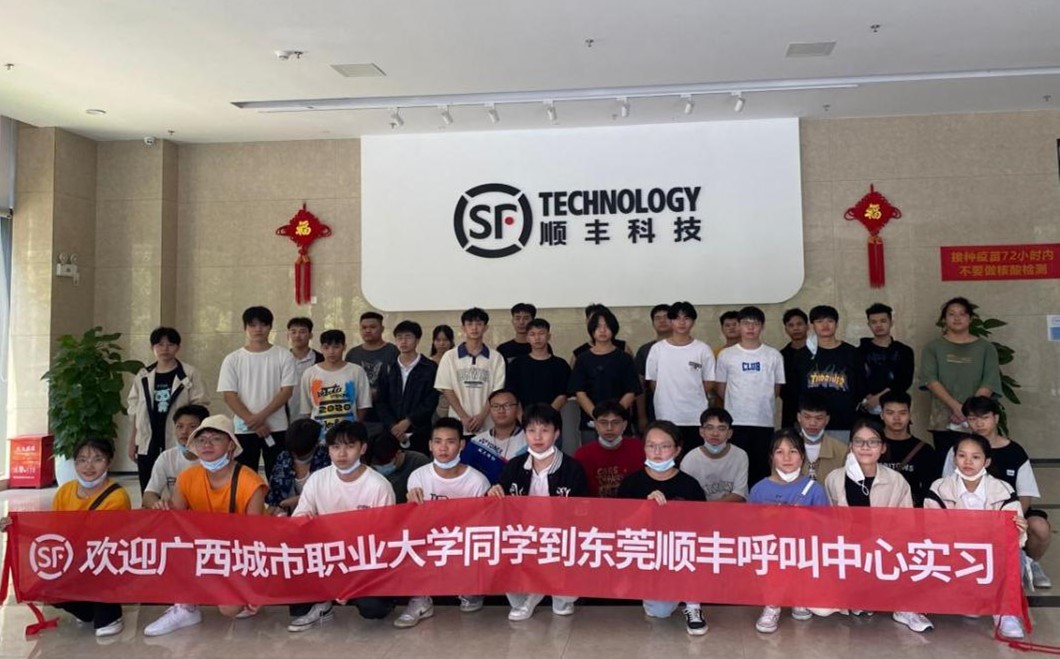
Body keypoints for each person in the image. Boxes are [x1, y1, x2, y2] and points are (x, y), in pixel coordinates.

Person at [145, 415, 268, 636]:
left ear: (230, 445)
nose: (207, 444)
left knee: (230, 609)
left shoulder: (250, 482)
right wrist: (163, 508)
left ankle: (243, 591)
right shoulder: (187, 477)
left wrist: (253, 585)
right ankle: (186, 607)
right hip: (203, 549)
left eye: (215, 439)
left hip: (236, 553)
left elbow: (256, 539)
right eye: (201, 440)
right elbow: (175, 522)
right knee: (166, 538)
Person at [1, 438, 131, 637]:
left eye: (97, 459)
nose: (89, 466)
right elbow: (53, 532)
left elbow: (102, 539)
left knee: (97, 577)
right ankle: (86, 609)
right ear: (75, 463)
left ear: (109, 462)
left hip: (103, 561)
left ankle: (110, 613)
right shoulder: (65, 491)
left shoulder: (117, 496)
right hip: (74, 558)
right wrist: (17, 527)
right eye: (82, 460)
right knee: (45, 586)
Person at [823, 418, 933, 633]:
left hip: (886, 552)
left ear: (882, 448)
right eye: (859, 441)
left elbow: (907, 526)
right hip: (848, 554)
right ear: (850, 446)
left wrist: (882, 545)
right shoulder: (834, 479)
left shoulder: (896, 480)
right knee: (822, 608)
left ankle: (904, 607)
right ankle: (859, 596)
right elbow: (828, 524)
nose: (865, 447)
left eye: (873, 442)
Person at [288, 420, 397, 632]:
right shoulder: (318, 479)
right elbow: (300, 517)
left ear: (362, 448)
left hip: (363, 560)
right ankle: (322, 605)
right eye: (335, 447)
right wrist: (303, 521)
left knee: (373, 608)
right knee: (295, 594)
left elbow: (384, 541)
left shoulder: (378, 486)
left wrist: (353, 579)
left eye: (349, 446)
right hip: (326, 556)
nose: (342, 454)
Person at [924, 433, 1028, 640]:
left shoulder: (1003, 489)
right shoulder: (939, 488)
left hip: (990, 553)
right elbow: (932, 529)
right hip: (953, 551)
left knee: (1014, 556)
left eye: (976, 457)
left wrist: (1019, 528)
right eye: (962, 455)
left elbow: (1014, 538)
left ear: (986, 461)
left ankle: (1005, 612)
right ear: (954, 459)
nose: (968, 462)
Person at [488, 404, 587, 621]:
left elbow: (584, 513)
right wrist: (494, 493)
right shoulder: (514, 466)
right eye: (531, 430)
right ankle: (528, 596)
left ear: (557, 433)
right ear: (525, 433)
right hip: (522, 536)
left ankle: (554, 595)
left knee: (565, 600)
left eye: (545, 430)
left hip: (558, 537)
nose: (538, 436)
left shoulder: (572, 468)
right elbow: (500, 505)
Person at [941, 396, 1052, 590]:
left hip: (1009, 515)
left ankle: (1030, 562)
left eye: (985, 417)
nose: (979, 423)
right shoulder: (957, 450)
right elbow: (947, 487)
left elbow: (1025, 496)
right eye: (973, 418)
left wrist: (1007, 520)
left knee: (1040, 527)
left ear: (996, 418)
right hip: (967, 513)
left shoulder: (1015, 452)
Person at [397, 418, 492, 627]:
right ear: (430, 445)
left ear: (461, 445)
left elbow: (483, 526)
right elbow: (415, 522)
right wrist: (411, 505)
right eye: (438, 441)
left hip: (463, 541)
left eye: (450, 442)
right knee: (408, 539)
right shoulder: (418, 476)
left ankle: (471, 589)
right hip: (431, 539)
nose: (443, 448)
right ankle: (420, 599)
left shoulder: (477, 481)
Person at [618, 420, 708, 636]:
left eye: (665, 446)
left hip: (681, 553)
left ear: (677, 450)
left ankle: (693, 605)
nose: (657, 452)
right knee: (660, 612)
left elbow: (703, 529)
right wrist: (646, 509)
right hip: (646, 555)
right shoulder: (631, 483)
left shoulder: (690, 485)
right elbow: (620, 528)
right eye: (651, 446)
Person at [748, 428, 830, 633]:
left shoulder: (815, 490)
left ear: (802, 456)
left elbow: (824, 529)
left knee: (824, 609)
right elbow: (750, 528)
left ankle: (799, 596)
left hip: (804, 552)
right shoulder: (759, 489)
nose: (786, 458)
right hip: (771, 552)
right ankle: (772, 605)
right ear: (771, 457)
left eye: (793, 451)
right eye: (780, 452)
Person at [218, 306, 297, 479]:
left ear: (270, 327)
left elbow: (286, 391)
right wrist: (254, 423)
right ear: (245, 328)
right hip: (243, 429)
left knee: (278, 477)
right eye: (252, 325)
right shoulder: (233, 359)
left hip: (276, 427)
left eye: (263, 324)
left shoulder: (284, 355)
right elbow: (229, 395)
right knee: (244, 478)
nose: (258, 329)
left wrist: (259, 418)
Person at [127, 326, 209, 493]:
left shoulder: (189, 374)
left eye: (170, 344)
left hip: (179, 439)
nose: (165, 349)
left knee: (180, 486)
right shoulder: (143, 375)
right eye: (160, 344)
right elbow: (135, 410)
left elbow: (200, 407)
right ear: (152, 347)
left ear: (178, 347)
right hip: (148, 440)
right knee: (148, 487)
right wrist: (133, 440)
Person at [919, 296, 1002, 460]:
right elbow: (930, 379)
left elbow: (990, 380)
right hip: (944, 419)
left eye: (962, 314)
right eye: (951, 314)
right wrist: (956, 407)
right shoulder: (932, 347)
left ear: (970, 319)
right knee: (946, 464)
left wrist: (969, 411)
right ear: (944, 319)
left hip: (978, 419)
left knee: (980, 462)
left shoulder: (986, 348)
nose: (957, 318)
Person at [714, 305, 783, 486]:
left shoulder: (773, 355)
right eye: (746, 323)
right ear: (738, 326)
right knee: (736, 470)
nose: (751, 327)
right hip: (736, 422)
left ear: (762, 326)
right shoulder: (726, 355)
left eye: (755, 323)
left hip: (763, 421)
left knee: (761, 470)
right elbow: (721, 388)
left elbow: (776, 389)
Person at [645, 301, 715, 456]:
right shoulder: (657, 349)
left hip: (695, 416)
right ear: (670, 321)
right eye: (677, 318)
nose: (682, 322)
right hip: (666, 415)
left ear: (693, 322)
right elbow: (653, 382)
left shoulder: (703, 349)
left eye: (686, 318)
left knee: (694, 458)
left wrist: (691, 394)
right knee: (668, 457)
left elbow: (709, 382)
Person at [793, 305, 865, 442]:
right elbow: (795, 391)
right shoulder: (802, 356)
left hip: (844, 422)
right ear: (812, 325)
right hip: (811, 426)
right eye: (820, 321)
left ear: (836, 324)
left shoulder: (852, 353)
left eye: (830, 321)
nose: (825, 325)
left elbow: (860, 386)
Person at [570, 307, 641, 444]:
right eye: (598, 327)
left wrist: (614, 416)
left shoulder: (624, 357)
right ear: (591, 330)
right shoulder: (582, 358)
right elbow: (579, 392)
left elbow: (631, 390)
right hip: (590, 422)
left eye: (607, 326)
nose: (602, 330)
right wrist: (598, 416)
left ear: (614, 329)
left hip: (619, 420)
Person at [435, 307, 506, 435]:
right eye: (469, 324)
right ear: (463, 328)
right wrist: (463, 417)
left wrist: (481, 417)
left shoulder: (496, 358)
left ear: (485, 327)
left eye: (479, 324)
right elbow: (447, 389)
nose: (474, 328)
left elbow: (497, 392)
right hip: (457, 424)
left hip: (488, 425)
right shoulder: (450, 356)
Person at [376, 320, 440, 455]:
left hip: (419, 431)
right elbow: (380, 400)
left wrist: (409, 421)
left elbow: (431, 400)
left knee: (419, 463)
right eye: (399, 337)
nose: (403, 341)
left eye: (408, 337)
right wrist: (393, 425)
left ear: (417, 340)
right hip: (391, 432)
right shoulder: (388, 367)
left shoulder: (429, 367)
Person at [299, 329, 372, 431]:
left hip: (348, 432)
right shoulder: (310, 373)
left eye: (336, 347)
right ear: (321, 348)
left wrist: (354, 427)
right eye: (326, 347)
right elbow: (307, 409)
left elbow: (363, 404)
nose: (331, 351)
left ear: (344, 347)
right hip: (319, 433)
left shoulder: (356, 371)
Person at [142, 404, 209, 509]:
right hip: (175, 513)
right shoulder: (166, 457)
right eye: (180, 426)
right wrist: (157, 504)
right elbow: (148, 494)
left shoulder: (213, 459)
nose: (184, 431)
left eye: (192, 426)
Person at [345, 311, 400, 438]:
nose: (368, 330)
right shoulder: (353, 354)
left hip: (388, 417)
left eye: (372, 327)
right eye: (364, 327)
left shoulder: (394, 351)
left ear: (382, 329)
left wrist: (379, 393)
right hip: (358, 416)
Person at [574, 400, 645, 497]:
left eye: (615, 422)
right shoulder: (582, 455)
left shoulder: (638, 448)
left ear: (624, 425)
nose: (609, 428)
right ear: (596, 425)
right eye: (603, 422)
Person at [878, 391, 936, 507]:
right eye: (890, 413)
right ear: (882, 415)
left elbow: (930, 489)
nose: (896, 418)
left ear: (910, 415)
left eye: (902, 413)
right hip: (876, 509)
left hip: (912, 510)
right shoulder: (871, 446)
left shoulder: (925, 450)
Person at [680, 408, 749, 501]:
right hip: (699, 509)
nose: (715, 433)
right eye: (709, 428)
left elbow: (739, 494)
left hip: (731, 508)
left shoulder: (740, 455)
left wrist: (710, 507)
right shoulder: (689, 459)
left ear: (729, 433)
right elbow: (685, 496)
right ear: (701, 431)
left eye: (721, 429)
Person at [461, 389, 528, 484]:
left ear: (518, 408)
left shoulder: (529, 442)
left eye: (507, 406)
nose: (501, 410)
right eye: (496, 406)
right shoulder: (476, 442)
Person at [265, 417, 330, 515]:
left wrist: (291, 501)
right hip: (288, 516)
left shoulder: (326, 457)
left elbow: (326, 494)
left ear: (316, 444)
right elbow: (274, 499)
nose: (295, 454)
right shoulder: (284, 458)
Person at [858, 303, 914, 415]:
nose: (878, 325)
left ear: (891, 322)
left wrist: (879, 397)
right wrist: (869, 398)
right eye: (874, 322)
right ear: (869, 325)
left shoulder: (904, 351)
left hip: (896, 407)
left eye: (883, 321)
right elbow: (856, 378)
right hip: (867, 407)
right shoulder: (860, 351)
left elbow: (905, 381)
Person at [505, 318, 570, 412]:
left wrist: (547, 416)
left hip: (551, 418)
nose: (537, 338)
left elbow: (563, 395)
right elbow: (511, 394)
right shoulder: (517, 364)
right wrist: (522, 417)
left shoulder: (560, 364)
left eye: (541, 333)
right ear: (527, 338)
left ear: (548, 336)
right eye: (532, 334)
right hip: (523, 417)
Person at [634, 304, 671, 432]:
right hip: (653, 409)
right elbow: (639, 385)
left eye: (666, 317)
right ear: (652, 323)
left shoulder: (687, 348)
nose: (662, 320)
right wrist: (642, 416)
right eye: (657, 318)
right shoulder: (645, 350)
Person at [795, 394, 847, 484]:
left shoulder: (842, 450)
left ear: (827, 419)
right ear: (799, 417)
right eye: (807, 417)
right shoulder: (786, 448)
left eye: (819, 418)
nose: (812, 423)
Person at [366, 432, 430, 504]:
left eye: (385, 464)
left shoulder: (419, 463)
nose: (379, 468)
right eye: (375, 465)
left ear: (398, 453)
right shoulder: (369, 466)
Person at [286, 316, 324, 418]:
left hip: (316, 415)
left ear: (310, 335)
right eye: (293, 332)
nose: (297, 336)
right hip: (287, 416)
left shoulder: (321, 359)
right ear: (288, 335)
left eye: (302, 332)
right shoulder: (282, 360)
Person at [779, 308, 809, 428]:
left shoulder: (817, 352)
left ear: (807, 326)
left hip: (814, 410)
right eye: (791, 325)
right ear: (786, 329)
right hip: (790, 411)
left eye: (799, 324)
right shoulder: (780, 356)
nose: (795, 328)